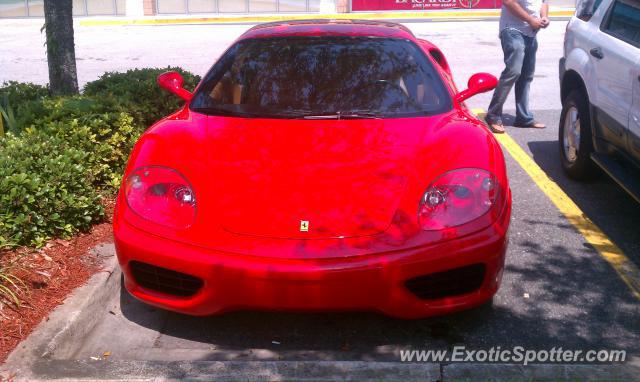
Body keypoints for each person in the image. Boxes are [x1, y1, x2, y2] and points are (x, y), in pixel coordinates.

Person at [485, 0, 550, 134]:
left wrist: (544, 17)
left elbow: (544, 2)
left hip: (531, 33)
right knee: (513, 72)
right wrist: (531, 19)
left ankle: (523, 118)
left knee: (526, 77)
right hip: (512, 30)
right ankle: (493, 115)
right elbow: (508, 2)